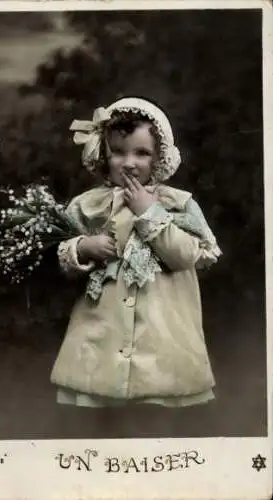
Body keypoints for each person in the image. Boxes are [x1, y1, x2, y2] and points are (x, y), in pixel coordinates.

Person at [50, 97, 221, 408]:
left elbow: (186, 256)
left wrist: (149, 213)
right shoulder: (90, 204)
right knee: (99, 407)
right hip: (101, 329)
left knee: (157, 404)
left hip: (162, 332)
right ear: (103, 155)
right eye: (118, 152)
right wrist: (83, 247)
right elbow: (61, 258)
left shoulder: (177, 204)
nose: (129, 162)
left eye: (142, 153)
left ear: (159, 158)